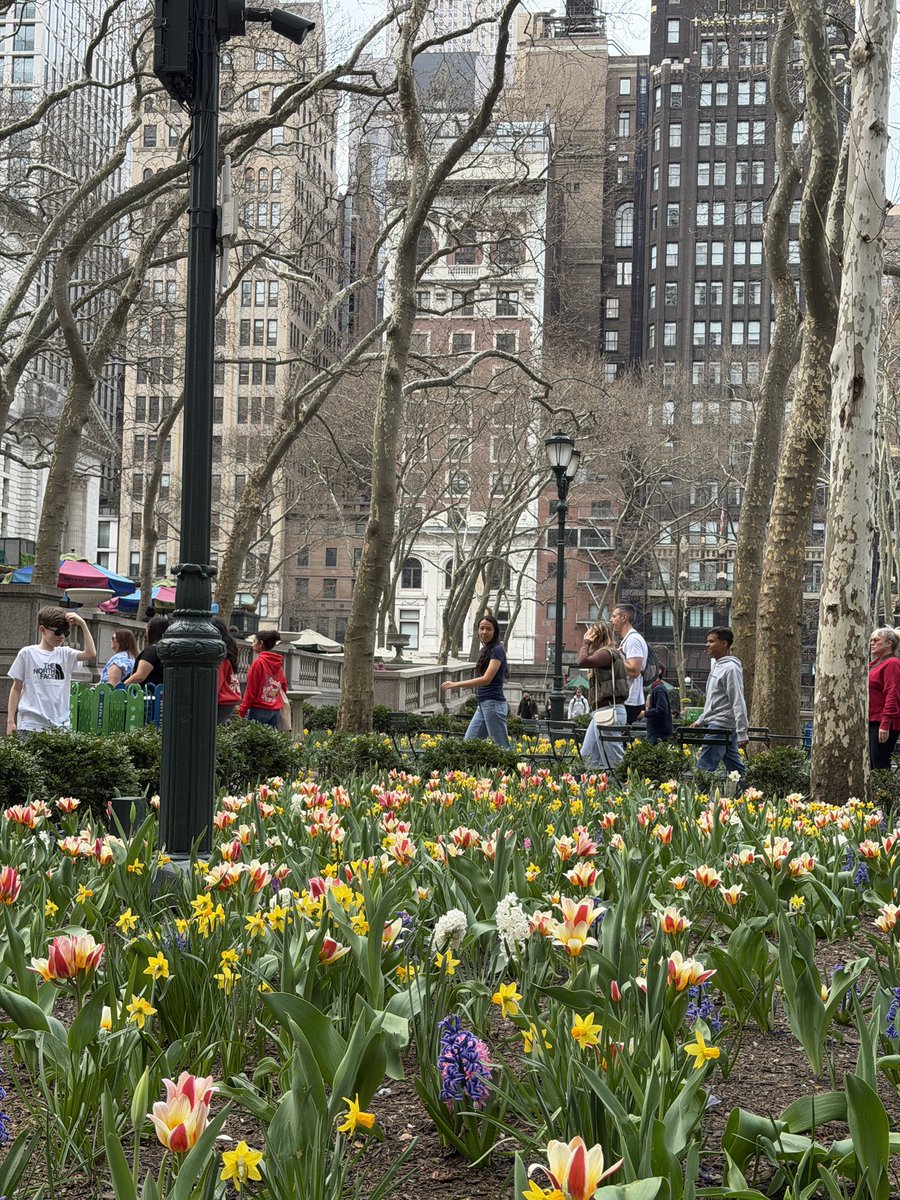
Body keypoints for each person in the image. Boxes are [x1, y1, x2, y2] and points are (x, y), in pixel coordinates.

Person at [6, 605, 96, 735]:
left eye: (66, 632)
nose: (61, 637)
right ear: (42, 630)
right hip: (30, 724)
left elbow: (91, 653)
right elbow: (16, 688)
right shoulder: (27, 653)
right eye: (58, 632)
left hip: (61, 726)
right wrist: (10, 721)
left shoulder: (66, 654)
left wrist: (82, 624)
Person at [441, 615, 509, 747]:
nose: (484, 632)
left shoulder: (497, 650)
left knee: (502, 747)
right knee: (469, 745)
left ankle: (517, 768)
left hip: (493, 704)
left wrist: (457, 684)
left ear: (495, 631)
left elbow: (486, 679)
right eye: (481, 628)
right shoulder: (485, 650)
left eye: (488, 629)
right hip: (483, 704)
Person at [690, 627, 748, 777]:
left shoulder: (730, 669)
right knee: (736, 770)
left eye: (711, 641)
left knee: (703, 770)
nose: (707, 645)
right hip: (721, 725)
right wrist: (700, 720)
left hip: (721, 727)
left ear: (724, 643)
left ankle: (698, 800)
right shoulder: (717, 666)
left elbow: (738, 700)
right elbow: (713, 701)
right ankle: (749, 794)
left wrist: (742, 732)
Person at [578, 620, 630, 768]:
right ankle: (591, 790)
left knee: (614, 760)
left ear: (597, 637)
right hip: (601, 712)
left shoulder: (607, 654)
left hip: (609, 711)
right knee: (588, 756)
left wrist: (585, 643)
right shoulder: (609, 654)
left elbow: (583, 662)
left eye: (591, 636)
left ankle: (624, 788)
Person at [239, 629, 287, 726]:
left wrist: (242, 710)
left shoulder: (258, 663)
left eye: (254, 642)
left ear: (260, 643)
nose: (252, 645)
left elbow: (251, 690)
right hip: (275, 710)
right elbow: (284, 687)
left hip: (259, 709)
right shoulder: (278, 665)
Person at [610, 603, 648, 725]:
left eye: (614, 616)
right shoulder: (629, 639)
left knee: (619, 740)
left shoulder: (633, 640)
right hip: (627, 699)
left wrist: (615, 657)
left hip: (629, 700)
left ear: (624, 618)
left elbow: (634, 671)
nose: (611, 620)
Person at [868, 627, 900, 769]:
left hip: (882, 722)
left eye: (876, 640)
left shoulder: (892, 663)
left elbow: (892, 693)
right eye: (871, 640)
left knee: (879, 764)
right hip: (871, 720)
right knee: (869, 763)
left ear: (889, 643)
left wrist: (885, 723)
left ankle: (882, 791)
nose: (872, 643)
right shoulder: (875, 664)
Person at [123, 615, 169, 688]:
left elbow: (140, 675)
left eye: (148, 628)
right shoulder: (167, 649)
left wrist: (122, 686)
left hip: (146, 693)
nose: (146, 631)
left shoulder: (151, 650)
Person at [212, 618, 242, 725]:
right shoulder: (228, 651)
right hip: (229, 698)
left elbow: (217, 681)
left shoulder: (220, 657)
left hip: (222, 699)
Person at [640, 666, 673, 743]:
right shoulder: (656, 688)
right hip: (656, 731)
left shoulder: (659, 689)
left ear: (659, 671)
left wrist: (645, 713)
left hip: (658, 732)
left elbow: (662, 709)